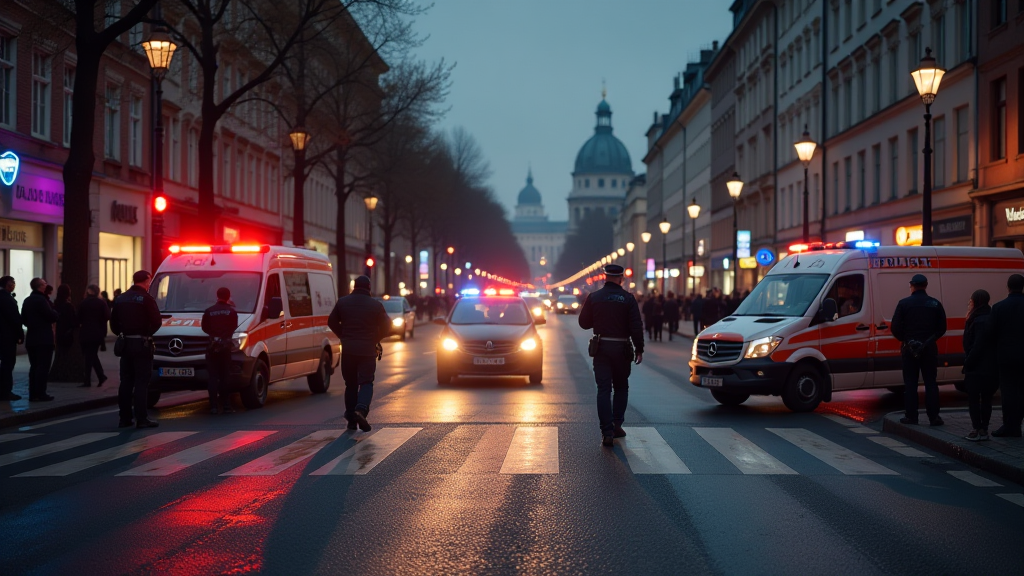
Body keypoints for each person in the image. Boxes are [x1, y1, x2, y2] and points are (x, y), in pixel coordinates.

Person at [578, 264, 644, 447]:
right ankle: (617, 424)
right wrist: (639, 348)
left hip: (602, 347)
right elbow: (636, 327)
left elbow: (583, 323)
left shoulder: (594, 297)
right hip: (622, 348)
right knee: (621, 387)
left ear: (605, 277)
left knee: (604, 390)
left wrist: (598, 320)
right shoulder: (628, 299)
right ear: (621, 278)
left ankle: (606, 431)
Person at [327, 275, 391, 432]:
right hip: (367, 351)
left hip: (348, 350)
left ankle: (350, 420)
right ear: (369, 287)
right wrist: (375, 338)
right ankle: (361, 410)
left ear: (354, 286)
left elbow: (331, 321)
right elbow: (387, 326)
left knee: (350, 384)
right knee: (366, 382)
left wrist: (343, 335)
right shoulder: (376, 305)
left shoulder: (343, 302)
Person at [890, 273, 947, 426]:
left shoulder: (904, 304)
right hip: (929, 349)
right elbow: (942, 328)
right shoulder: (935, 304)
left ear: (912, 286)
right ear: (926, 285)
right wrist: (928, 341)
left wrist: (906, 340)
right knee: (930, 383)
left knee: (910, 384)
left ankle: (911, 417)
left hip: (909, 349)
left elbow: (895, 327)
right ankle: (934, 417)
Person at [110, 270, 162, 428]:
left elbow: (113, 324)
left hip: (126, 344)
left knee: (126, 381)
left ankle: (124, 418)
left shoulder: (121, 299)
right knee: (141, 382)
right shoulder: (146, 299)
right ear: (146, 281)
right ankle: (141, 418)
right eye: (149, 281)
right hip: (142, 345)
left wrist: (124, 333)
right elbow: (157, 321)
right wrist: (146, 334)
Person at [985, 273, 1024, 437]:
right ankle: (1017, 423)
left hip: (1006, 356)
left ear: (1008, 287)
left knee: (1008, 392)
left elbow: (991, 333)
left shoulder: (999, 307)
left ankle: (1010, 426)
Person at [962, 289, 996, 441]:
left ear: (976, 302)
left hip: (977, 366)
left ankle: (977, 428)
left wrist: (968, 363)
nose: (969, 303)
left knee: (974, 398)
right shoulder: (992, 316)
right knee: (987, 398)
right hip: (991, 366)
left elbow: (976, 345)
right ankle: (984, 428)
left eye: (970, 300)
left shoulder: (977, 320)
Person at [201, 287, 239, 415]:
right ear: (228, 296)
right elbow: (234, 327)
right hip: (225, 347)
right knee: (225, 377)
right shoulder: (231, 312)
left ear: (217, 296)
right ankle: (226, 405)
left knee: (213, 377)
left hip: (212, 347)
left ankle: (213, 407)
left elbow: (204, 328)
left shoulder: (209, 311)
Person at [21, 278, 58, 401]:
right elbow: (51, 316)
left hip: (31, 338)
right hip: (44, 338)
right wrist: (56, 313)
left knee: (34, 366)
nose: (46, 285)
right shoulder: (42, 301)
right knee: (43, 367)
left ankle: (33, 393)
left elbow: (24, 319)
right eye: (44, 283)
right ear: (40, 286)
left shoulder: (27, 300)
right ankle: (41, 393)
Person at [78, 284, 109, 387]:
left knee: (88, 356)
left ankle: (88, 380)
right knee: (92, 355)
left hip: (86, 332)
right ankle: (100, 376)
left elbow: (79, 318)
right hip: (97, 333)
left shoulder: (84, 303)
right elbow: (107, 316)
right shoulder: (101, 303)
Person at [0, 276, 23, 401]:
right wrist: (20, 334)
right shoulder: (7, 299)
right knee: (8, 364)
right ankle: (5, 391)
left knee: (6, 363)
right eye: (11, 283)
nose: (14, 284)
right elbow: (14, 319)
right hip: (7, 336)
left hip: (4, 335)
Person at [54, 284, 77, 360]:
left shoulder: (56, 304)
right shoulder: (68, 306)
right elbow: (73, 320)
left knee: (60, 351)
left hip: (59, 331)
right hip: (67, 331)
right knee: (66, 353)